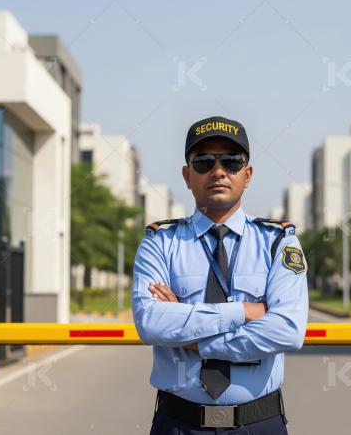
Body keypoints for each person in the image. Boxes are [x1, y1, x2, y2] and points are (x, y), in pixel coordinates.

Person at [131, 115, 309, 434]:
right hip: (178, 423)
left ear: (247, 173)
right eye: (203, 162)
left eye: (230, 161)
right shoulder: (160, 241)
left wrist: (194, 339)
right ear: (187, 175)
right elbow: (152, 322)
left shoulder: (278, 241)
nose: (217, 171)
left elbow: (287, 329)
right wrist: (244, 311)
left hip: (259, 423)